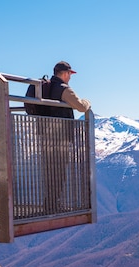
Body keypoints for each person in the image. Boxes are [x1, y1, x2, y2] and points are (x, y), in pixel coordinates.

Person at [38, 61, 92, 214]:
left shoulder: (45, 88)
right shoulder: (63, 89)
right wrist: (87, 102)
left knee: (49, 170)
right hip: (60, 136)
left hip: (45, 134)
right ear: (65, 73)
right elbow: (81, 106)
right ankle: (54, 204)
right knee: (59, 171)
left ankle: (48, 203)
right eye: (70, 74)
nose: (70, 77)